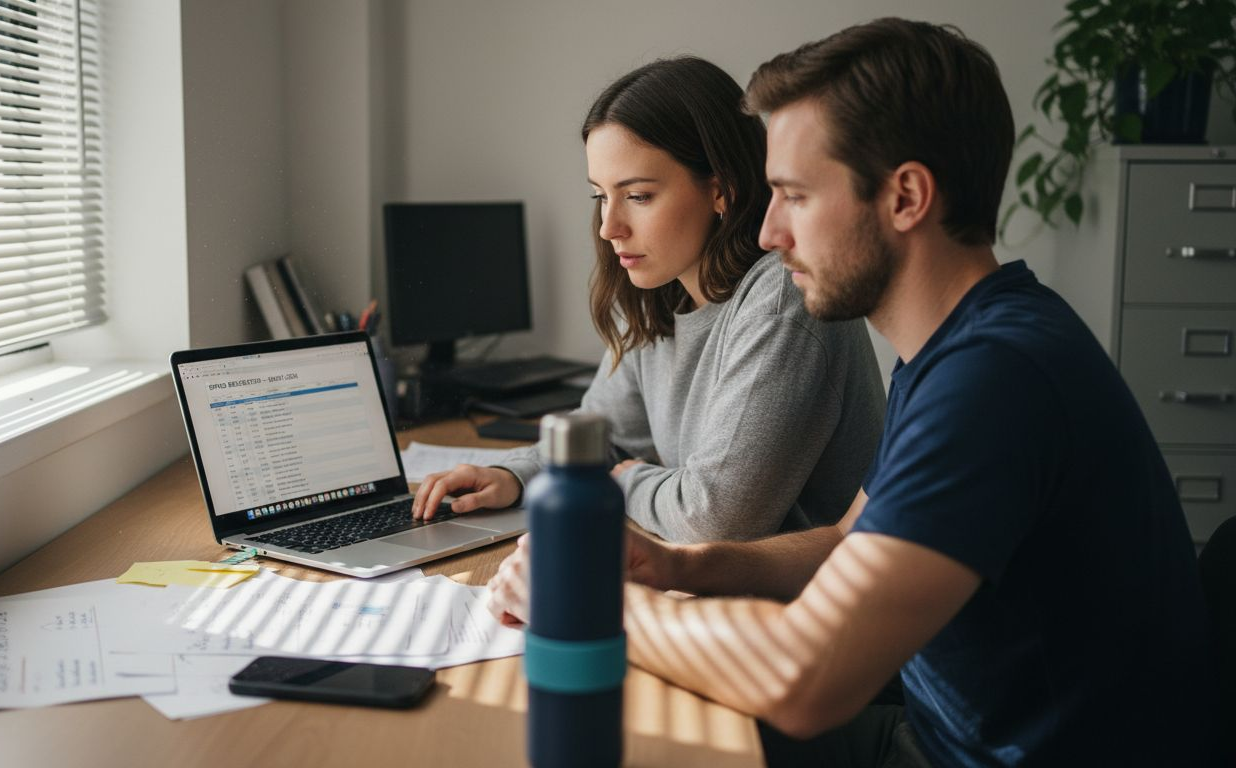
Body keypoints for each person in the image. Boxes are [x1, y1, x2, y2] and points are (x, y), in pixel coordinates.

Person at [486, 19, 1219, 767]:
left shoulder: (995, 380)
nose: (767, 232)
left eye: (794, 196)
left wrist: (582, 599)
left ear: (905, 197)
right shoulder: (952, 351)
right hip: (928, 735)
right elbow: (846, 540)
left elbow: (808, 679)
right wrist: (680, 566)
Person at [413, 57, 884, 543]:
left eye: (637, 196)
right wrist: (512, 476)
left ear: (720, 190)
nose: (608, 227)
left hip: (800, 605)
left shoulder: (783, 299)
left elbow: (714, 517)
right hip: (713, 592)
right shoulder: (662, 294)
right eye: (600, 196)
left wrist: (621, 483)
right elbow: (605, 435)